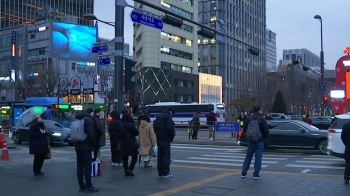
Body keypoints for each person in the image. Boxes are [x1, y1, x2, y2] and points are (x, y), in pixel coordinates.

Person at [74, 108, 99, 193]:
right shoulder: (89, 120)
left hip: (78, 146)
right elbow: (91, 134)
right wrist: (94, 144)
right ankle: (89, 186)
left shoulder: (78, 119)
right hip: (86, 146)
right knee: (88, 166)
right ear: (91, 113)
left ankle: (81, 186)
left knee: (80, 166)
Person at [241, 106, 269, 180]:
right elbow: (266, 130)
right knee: (258, 157)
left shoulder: (248, 118)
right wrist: (264, 137)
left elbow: (244, 129)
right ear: (259, 110)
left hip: (250, 141)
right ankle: (256, 174)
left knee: (248, 156)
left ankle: (243, 172)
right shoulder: (262, 119)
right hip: (260, 140)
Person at [154, 107, 175, 178]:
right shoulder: (168, 117)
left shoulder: (159, 116)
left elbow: (154, 126)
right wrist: (171, 137)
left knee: (160, 156)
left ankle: (160, 172)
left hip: (159, 138)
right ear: (170, 112)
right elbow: (170, 128)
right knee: (166, 156)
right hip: (165, 139)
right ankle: (165, 173)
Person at [341, 120, 350, 185]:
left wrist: (347, 144)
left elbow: (342, 137)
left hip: (348, 148)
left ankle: (346, 179)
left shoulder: (346, 125)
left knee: (348, 164)